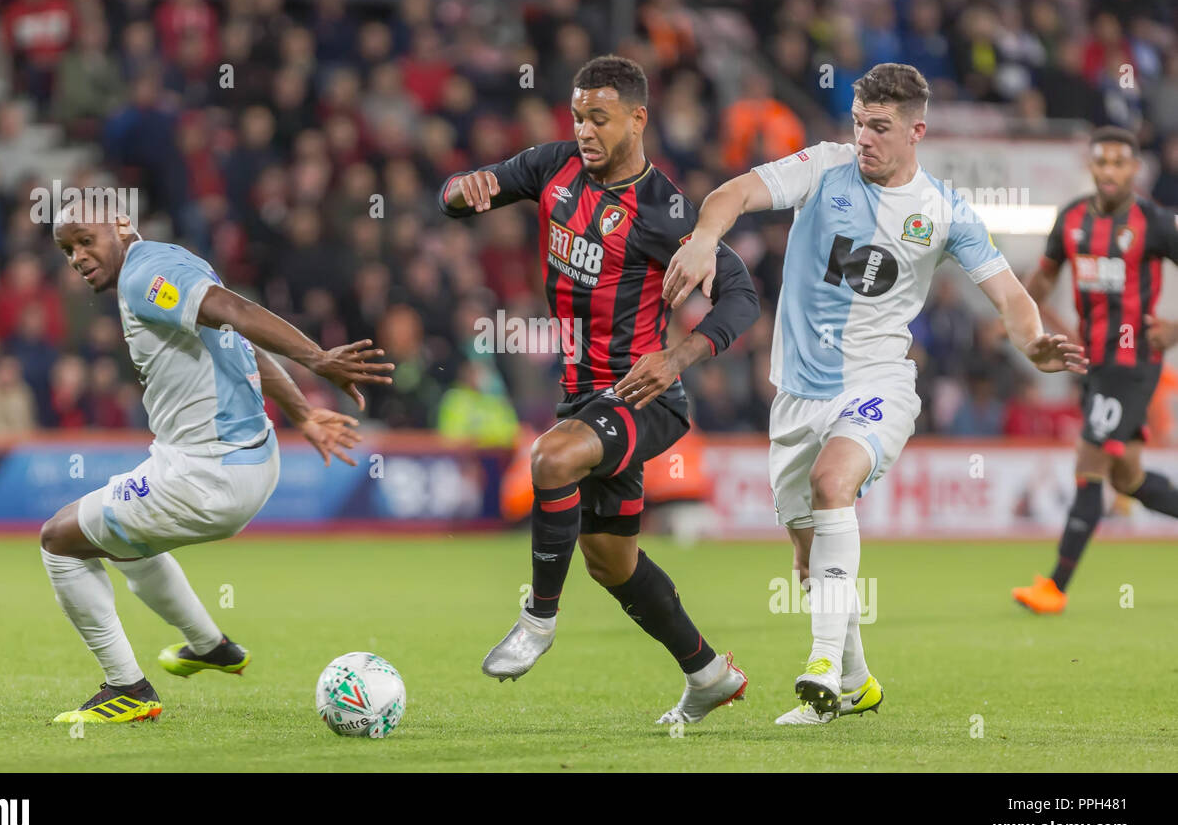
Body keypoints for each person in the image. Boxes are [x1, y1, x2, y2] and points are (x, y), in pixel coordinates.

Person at [663, 62, 1086, 725]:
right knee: (808, 559)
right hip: (798, 395)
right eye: (859, 123)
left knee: (836, 484)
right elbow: (736, 192)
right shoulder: (825, 167)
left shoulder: (944, 211)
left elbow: (1009, 296)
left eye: (881, 128)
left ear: (917, 130)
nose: (865, 138)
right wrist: (706, 239)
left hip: (878, 383)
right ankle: (857, 683)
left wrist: (1030, 341)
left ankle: (823, 664)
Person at [439, 55, 761, 724]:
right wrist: (460, 190)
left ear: (638, 119)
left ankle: (538, 620)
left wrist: (680, 357)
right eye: (579, 115)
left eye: (600, 118)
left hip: (648, 397)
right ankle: (707, 674)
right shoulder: (552, 166)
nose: (584, 130)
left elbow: (742, 295)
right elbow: (464, 193)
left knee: (551, 459)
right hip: (584, 398)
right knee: (612, 563)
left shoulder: (666, 212)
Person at [43, 205, 393, 723]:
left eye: (85, 240)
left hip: (206, 475)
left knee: (59, 541)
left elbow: (235, 310)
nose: (77, 257)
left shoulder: (144, 275)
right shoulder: (173, 259)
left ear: (119, 224)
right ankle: (209, 646)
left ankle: (128, 690)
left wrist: (316, 357)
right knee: (121, 542)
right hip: (250, 460)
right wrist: (302, 413)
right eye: (68, 249)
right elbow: (236, 336)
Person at [1013, 126, 1178, 613]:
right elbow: (1041, 279)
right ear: (1091, 166)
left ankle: (1055, 587)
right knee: (1127, 477)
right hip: (1095, 365)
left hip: (1133, 364)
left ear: (1134, 169)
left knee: (1089, 464)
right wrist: (1022, 321)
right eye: (1101, 162)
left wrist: (1175, 330)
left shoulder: (1154, 222)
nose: (1109, 171)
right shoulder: (1072, 219)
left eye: (1119, 163)